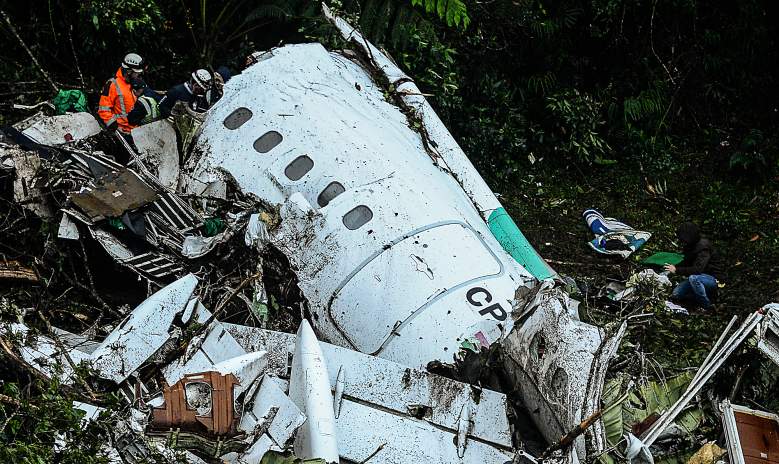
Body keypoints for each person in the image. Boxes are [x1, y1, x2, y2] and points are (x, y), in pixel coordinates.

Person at [664, 222, 724, 309]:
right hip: (699, 277)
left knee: (693, 278)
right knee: (676, 294)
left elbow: (697, 269)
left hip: (713, 279)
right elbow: (687, 261)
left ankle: (707, 306)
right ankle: (696, 298)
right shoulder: (690, 246)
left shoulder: (703, 248)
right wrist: (672, 267)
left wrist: (677, 270)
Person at [98, 53, 145, 134]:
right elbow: (103, 111)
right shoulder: (112, 84)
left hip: (137, 129)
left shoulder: (135, 83)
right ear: (129, 71)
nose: (138, 75)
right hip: (122, 130)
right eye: (136, 73)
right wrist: (115, 127)